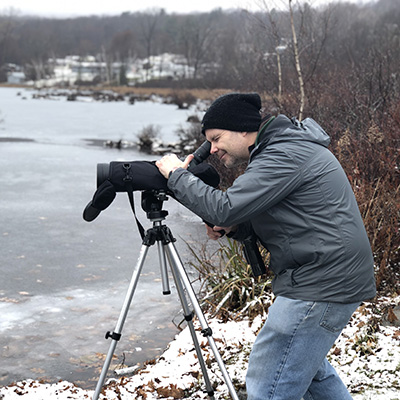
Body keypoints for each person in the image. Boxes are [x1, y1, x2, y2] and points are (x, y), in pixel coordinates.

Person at [155, 92, 376, 400]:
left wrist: (177, 175)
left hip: (321, 281)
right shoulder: (283, 149)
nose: (213, 149)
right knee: (309, 372)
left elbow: (225, 207)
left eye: (216, 138)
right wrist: (233, 226)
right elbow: (278, 220)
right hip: (328, 275)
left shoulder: (284, 154)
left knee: (270, 379)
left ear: (243, 129)